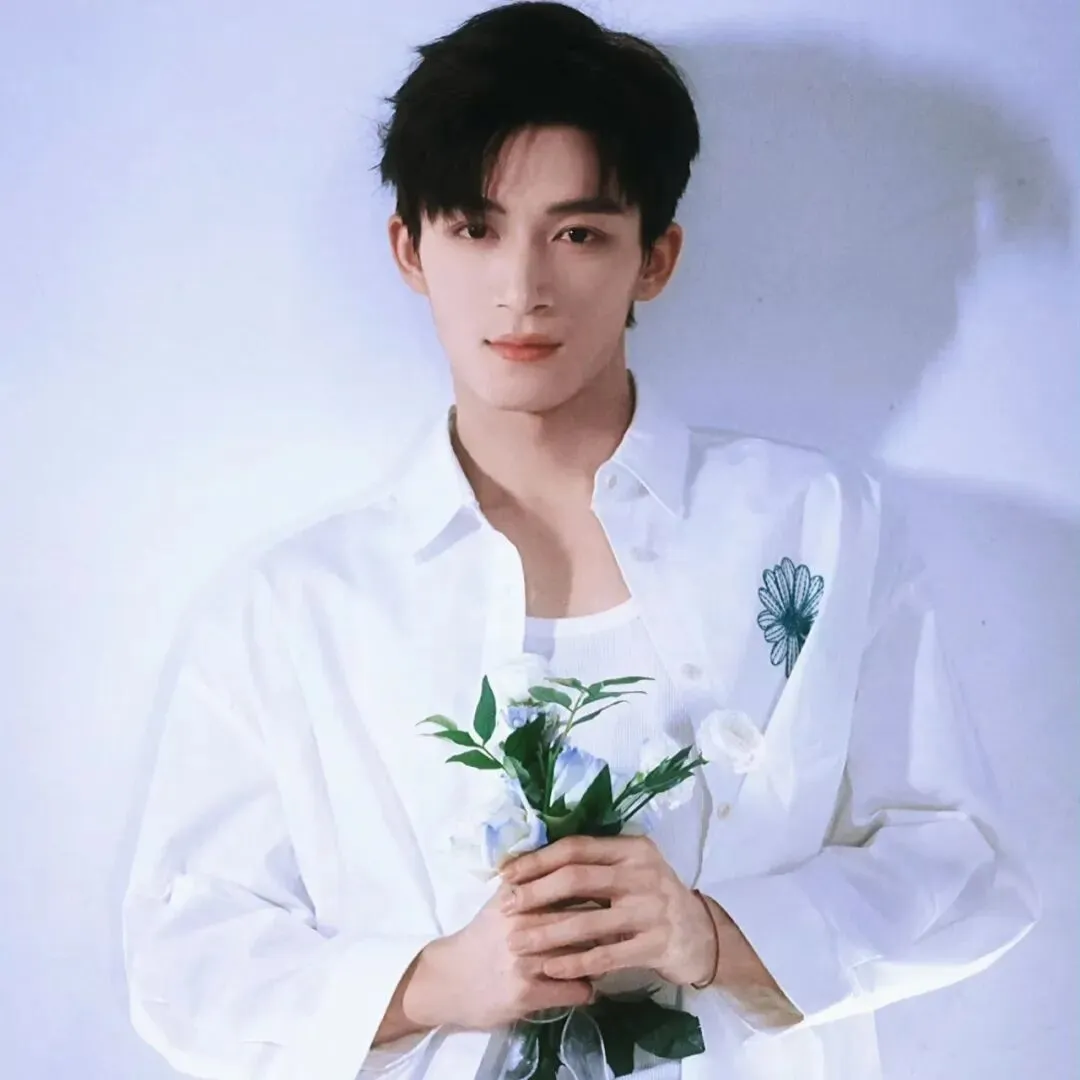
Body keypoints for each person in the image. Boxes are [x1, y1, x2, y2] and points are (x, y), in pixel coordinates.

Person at [120, 3, 1040, 1079]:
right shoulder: (297, 608)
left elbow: (964, 864)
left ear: (657, 258)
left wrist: (713, 934)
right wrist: (432, 982)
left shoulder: (819, 529)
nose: (522, 289)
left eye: (578, 234)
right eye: (474, 229)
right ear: (409, 249)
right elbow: (182, 960)